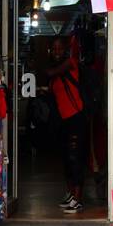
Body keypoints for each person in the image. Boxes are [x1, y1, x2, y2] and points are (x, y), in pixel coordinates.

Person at [46, 36, 88, 212]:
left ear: (65, 50)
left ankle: (78, 199)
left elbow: (50, 73)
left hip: (76, 117)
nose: (57, 52)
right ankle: (71, 194)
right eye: (54, 49)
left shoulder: (70, 63)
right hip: (64, 120)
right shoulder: (56, 70)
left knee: (75, 158)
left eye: (59, 49)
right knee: (67, 158)